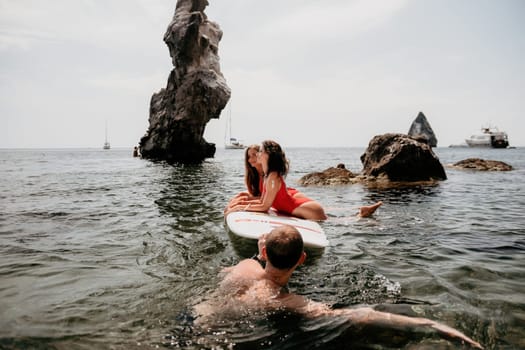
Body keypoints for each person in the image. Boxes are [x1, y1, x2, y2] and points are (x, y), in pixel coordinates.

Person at [194, 225, 483, 349]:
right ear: (302, 260)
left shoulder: (244, 266)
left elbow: (249, 265)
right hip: (234, 337)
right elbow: (362, 315)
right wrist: (428, 323)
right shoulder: (288, 300)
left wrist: (260, 253)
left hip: (197, 318)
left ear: (265, 252)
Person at [225, 140, 382, 220]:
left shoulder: (272, 177)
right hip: (297, 206)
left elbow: (264, 206)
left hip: (310, 209)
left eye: (260, 151)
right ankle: (361, 211)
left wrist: (240, 207)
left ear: (268, 155)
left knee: (339, 222)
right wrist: (240, 204)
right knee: (337, 219)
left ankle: (361, 215)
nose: (257, 154)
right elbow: (262, 202)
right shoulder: (268, 176)